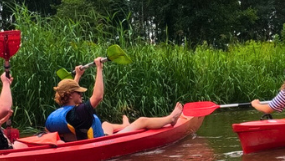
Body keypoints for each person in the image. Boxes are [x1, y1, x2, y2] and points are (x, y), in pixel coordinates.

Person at [45, 57, 183, 141]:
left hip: (86, 138)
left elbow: (71, 95)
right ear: (70, 95)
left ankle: (125, 126)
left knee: (106, 124)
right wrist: (99, 68)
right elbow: (98, 96)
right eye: (79, 92)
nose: (81, 95)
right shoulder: (79, 113)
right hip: (102, 141)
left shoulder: (60, 115)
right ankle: (171, 119)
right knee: (142, 120)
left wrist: (78, 76)